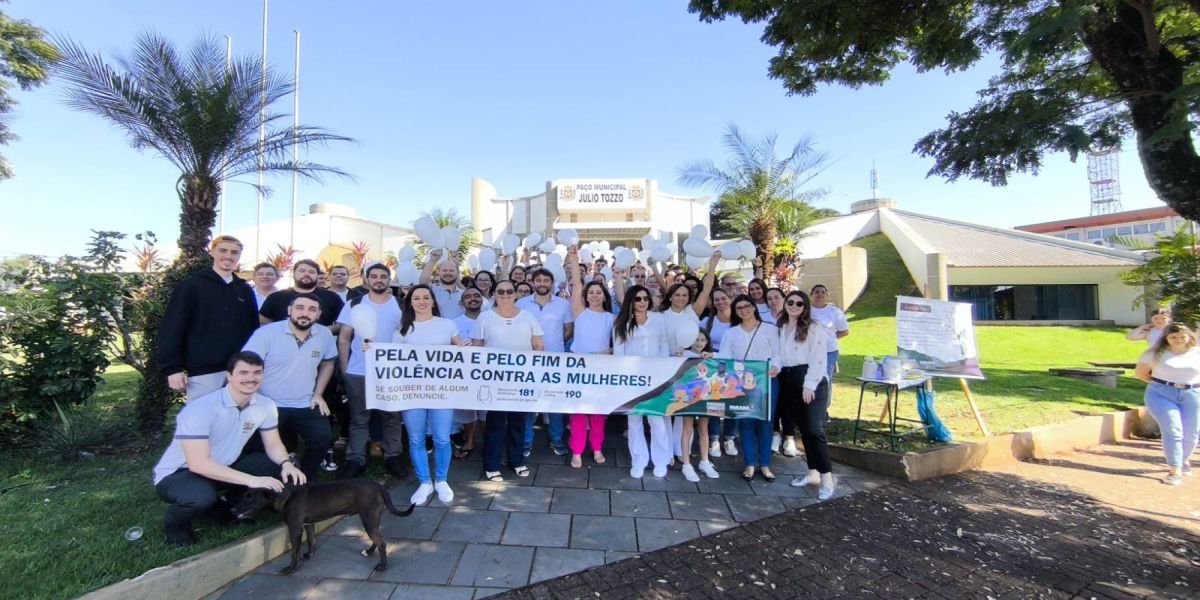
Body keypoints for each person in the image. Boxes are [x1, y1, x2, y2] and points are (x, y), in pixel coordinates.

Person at [152, 351, 306, 546]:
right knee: (200, 498)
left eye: (257, 372)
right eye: (243, 372)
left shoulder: (265, 405)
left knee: (287, 469)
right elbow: (198, 464)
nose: (251, 378)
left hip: (225, 464)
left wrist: (286, 463)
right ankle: (175, 524)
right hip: (180, 472)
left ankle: (227, 506)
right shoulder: (200, 409)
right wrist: (253, 480)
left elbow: (273, 444)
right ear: (229, 375)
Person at [240, 293, 337, 479]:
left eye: (312, 310)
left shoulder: (324, 334)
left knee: (323, 438)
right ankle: (268, 481)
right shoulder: (266, 333)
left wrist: (318, 394)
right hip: (268, 402)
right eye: (300, 308)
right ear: (289, 310)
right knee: (257, 447)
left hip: (305, 402)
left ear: (319, 314)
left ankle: (303, 479)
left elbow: (328, 363)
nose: (305, 313)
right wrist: (250, 396)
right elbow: (246, 365)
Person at [158, 235, 259, 401]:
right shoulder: (192, 285)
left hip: (240, 370)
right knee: (202, 417)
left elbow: (253, 330)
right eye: (223, 250)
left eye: (234, 252)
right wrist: (172, 368)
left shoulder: (244, 290)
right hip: (203, 372)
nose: (228, 256)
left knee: (237, 416)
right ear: (212, 252)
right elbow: (173, 327)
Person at [395, 284, 466, 504]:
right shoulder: (401, 331)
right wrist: (371, 350)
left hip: (441, 392)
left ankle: (441, 480)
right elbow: (391, 359)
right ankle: (424, 482)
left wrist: (465, 348)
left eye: (426, 297)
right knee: (416, 439)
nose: (422, 302)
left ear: (433, 301)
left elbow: (460, 350)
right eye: (416, 298)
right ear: (410, 303)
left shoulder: (447, 324)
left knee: (442, 438)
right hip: (412, 392)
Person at [335, 263, 406, 480]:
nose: (378, 280)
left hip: (391, 372)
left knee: (391, 416)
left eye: (383, 276)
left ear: (389, 279)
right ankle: (355, 459)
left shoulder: (400, 305)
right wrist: (345, 368)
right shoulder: (355, 304)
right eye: (373, 276)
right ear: (366, 280)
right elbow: (344, 337)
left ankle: (393, 456)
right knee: (359, 418)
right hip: (359, 370)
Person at [473, 280, 544, 481]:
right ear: (494, 294)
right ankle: (492, 464)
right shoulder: (484, 317)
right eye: (501, 291)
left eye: (509, 291)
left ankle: (517, 461)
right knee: (495, 423)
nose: (505, 295)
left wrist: (536, 373)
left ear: (516, 294)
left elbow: (538, 346)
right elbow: (477, 348)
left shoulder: (528, 317)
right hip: (494, 380)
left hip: (521, 379)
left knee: (518, 422)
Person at [777, 291, 838, 499]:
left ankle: (827, 479)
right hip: (790, 379)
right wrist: (775, 366)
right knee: (804, 429)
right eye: (790, 302)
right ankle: (813, 473)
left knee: (814, 429)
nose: (794, 306)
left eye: (799, 303)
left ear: (805, 307)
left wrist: (809, 385)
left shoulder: (813, 327)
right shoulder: (782, 327)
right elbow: (781, 355)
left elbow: (818, 358)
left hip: (812, 380)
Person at [717, 294, 780, 482]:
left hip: (767, 380)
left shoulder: (770, 329)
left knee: (766, 421)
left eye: (747, 306)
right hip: (741, 382)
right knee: (745, 421)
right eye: (739, 308)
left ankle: (765, 464)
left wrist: (776, 366)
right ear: (735, 311)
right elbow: (725, 356)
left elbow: (778, 354)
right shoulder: (731, 333)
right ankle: (750, 463)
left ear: (754, 307)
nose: (744, 310)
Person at [614, 285, 673, 478]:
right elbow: (619, 353)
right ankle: (638, 460)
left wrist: (663, 371)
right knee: (634, 420)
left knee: (657, 420)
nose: (642, 302)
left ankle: (661, 460)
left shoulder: (658, 319)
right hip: (633, 379)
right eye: (638, 299)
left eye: (645, 298)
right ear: (631, 301)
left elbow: (664, 344)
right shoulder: (622, 323)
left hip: (656, 378)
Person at [517, 267, 575, 456]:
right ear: (533, 283)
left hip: (555, 360)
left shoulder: (563, 304)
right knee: (528, 402)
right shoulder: (521, 303)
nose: (542, 283)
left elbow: (568, 330)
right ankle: (526, 441)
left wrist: (553, 345)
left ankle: (556, 439)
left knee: (555, 402)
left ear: (552, 283)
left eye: (546, 280)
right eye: (538, 280)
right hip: (528, 361)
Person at [566, 247, 615, 468]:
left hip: (601, 368)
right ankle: (576, 451)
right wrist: (574, 258)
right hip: (578, 368)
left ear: (605, 296)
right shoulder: (579, 312)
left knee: (597, 413)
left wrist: (606, 353)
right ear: (586, 296)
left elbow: (619, 345)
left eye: (599, 292)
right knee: (578, 412)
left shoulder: (612, 318)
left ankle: (597, 448)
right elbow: (577, 283)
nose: (595, 295)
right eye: (591, 292)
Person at [1134, 323, 1200, 486]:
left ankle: (1183, 460)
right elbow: (1141, 374)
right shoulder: (1154, 353)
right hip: (1161, 393)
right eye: (1174, 337)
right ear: (1166, 338)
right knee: (1173, 429)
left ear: (1189, 337)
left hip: (1193, 393)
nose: (1179, 340)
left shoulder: (1197, 352)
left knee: (1192, 433)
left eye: (1182, 337)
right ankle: (1175, 469)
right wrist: (1163, 384)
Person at [677, 330, 720, 482]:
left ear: (707, 342)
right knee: (687, 429)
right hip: (689, 397)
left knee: (703, 430)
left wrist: (712, 356)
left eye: (702, 340)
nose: (699, 343)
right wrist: (678, 354)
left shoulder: (710, 356)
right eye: (696, 339)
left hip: (705, 398)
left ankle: (705, 461)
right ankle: (686, 465)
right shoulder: (684, 354)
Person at [258, 259, 345, 331]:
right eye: (302, 271)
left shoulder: (332, 297)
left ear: (317, 275)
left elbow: (343, 324)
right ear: (294, 273)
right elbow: (263, 322)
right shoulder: (276, 297)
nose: (306, 274)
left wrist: (321, 332)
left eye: (311, 272)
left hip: (320, 344)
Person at [702, 288, 738, 458]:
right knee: (715, 400)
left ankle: (730, 438)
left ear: (730, 299)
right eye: (716, 299)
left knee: (733, 400)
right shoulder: (707, 322)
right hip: (714, 363)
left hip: (734, 363)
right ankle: (714, 438)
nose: (720, 302)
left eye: (723, 298)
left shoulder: (738, 320)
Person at [809, 284, 850, 388]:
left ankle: (825, 398)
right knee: (808, 378)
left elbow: (844, 331)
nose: (820, 294)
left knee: (824, 379)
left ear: (827, 295)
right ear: (811, 295)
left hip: (829, 351)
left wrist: (827, 338)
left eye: (823, 292)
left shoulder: (835, 312)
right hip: (809, 351)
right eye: (816, 292)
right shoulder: (805, 310)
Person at [421, 249, 464, 319]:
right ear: (438, 271)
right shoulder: (433, 290)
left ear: (457, 272)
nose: (448, 273)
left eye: (451, 270)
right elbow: (423, 282)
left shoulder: (464, 294)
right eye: (444, 270)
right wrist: (432, 260)